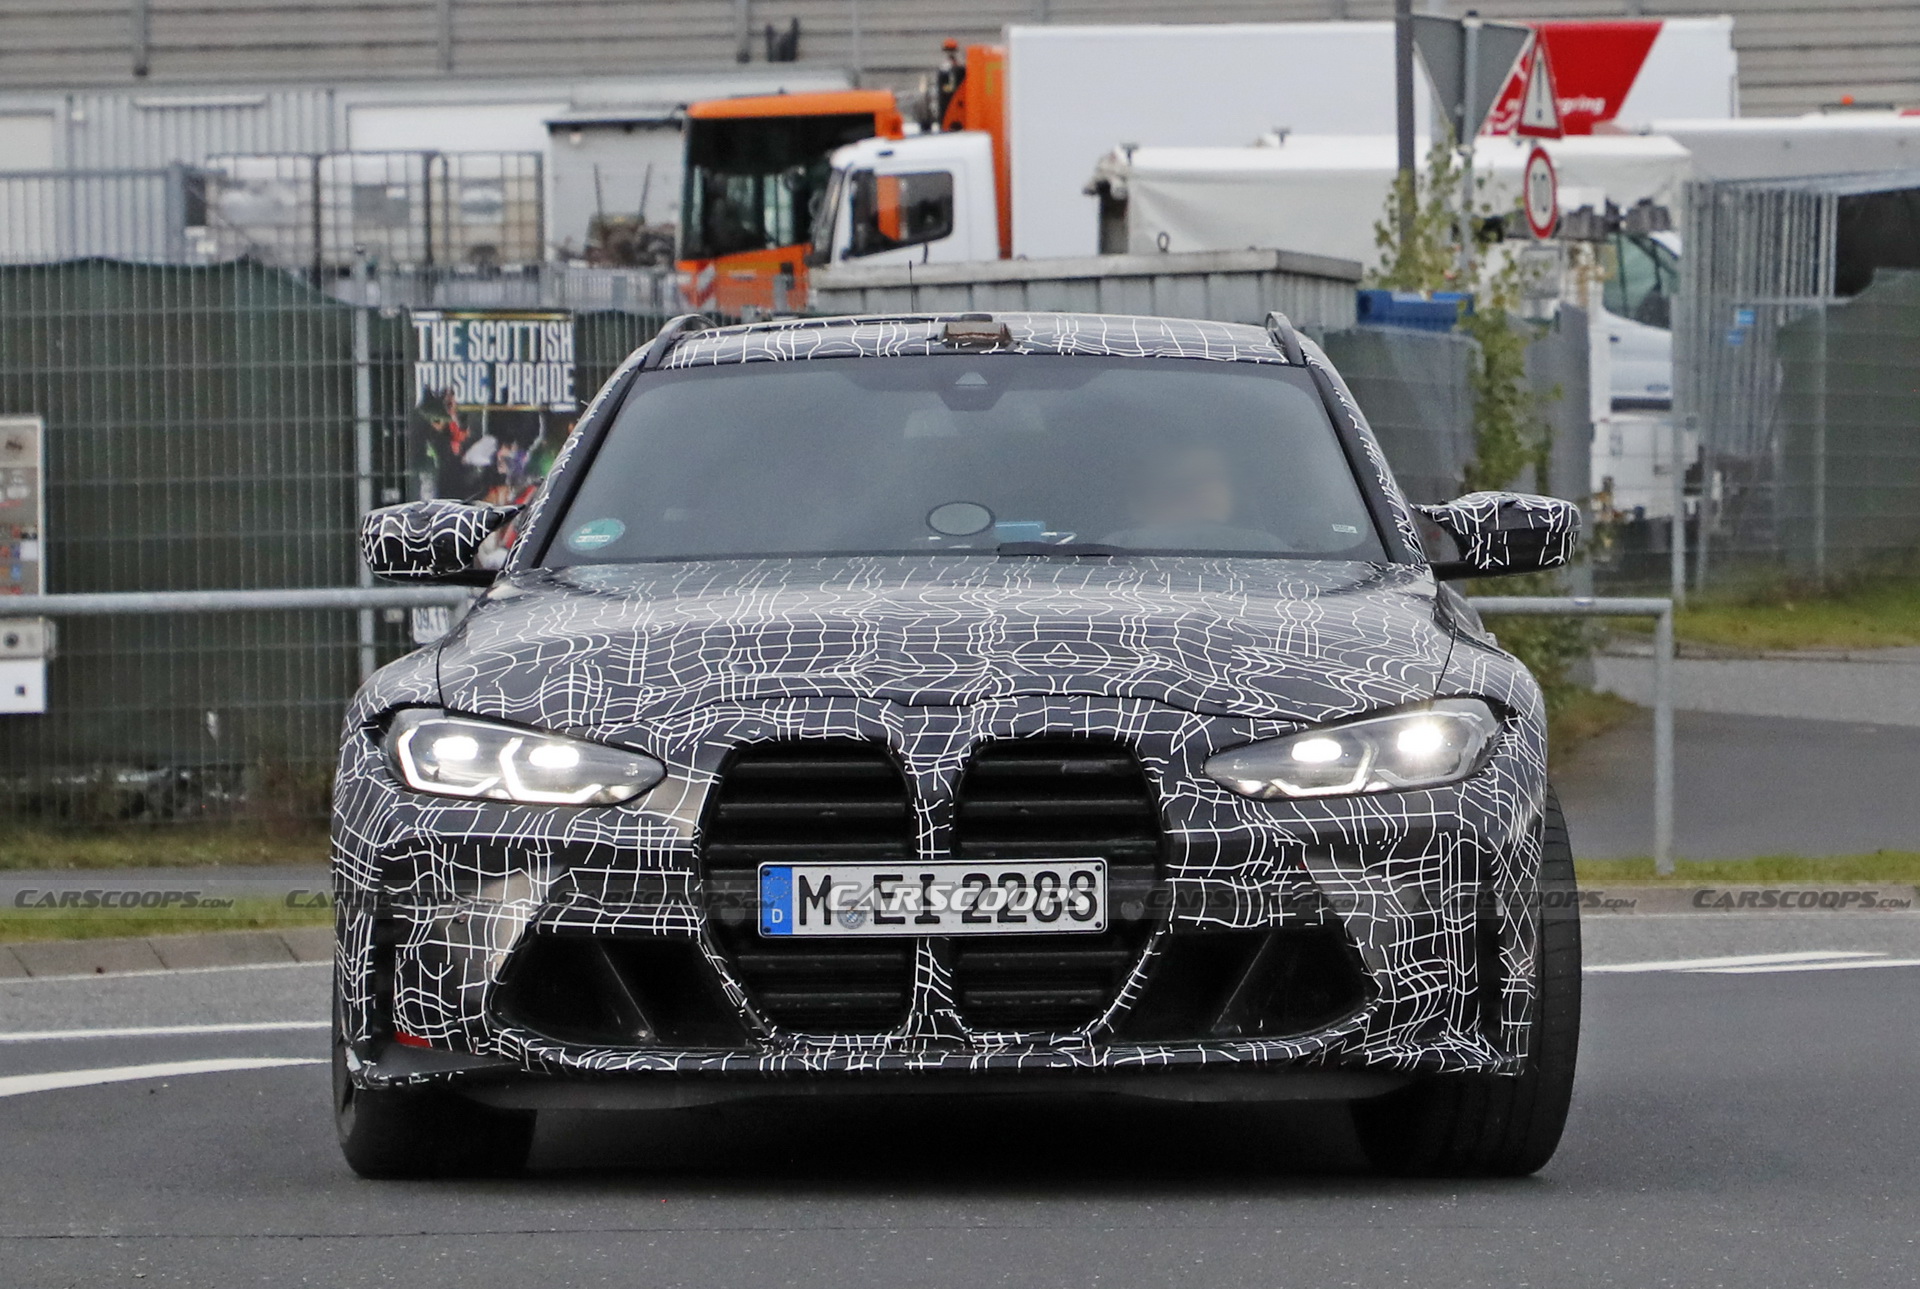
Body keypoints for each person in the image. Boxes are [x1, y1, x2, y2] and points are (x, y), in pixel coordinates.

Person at [1101, 441, 1287, 552]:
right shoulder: (1105, 553)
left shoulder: (1277, 556)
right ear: (1137, 503)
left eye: (1206, 479)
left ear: (1234, 493)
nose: (1193, 493)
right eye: (1174, 484)